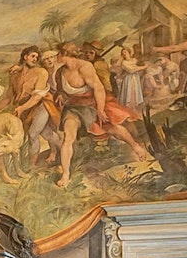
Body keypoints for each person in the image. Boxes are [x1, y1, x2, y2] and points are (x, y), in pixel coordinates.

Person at [53, 42, 150, 188]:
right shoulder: (59, 72)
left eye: (58, 54)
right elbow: (61, 89)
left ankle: (135, 146)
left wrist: (100, 110)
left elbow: (98, 88)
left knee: (112, 128)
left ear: (63, 54)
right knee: (68, 136)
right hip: (73, 108)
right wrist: (60, 94)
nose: (56, 57)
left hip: (92, 105)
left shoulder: (85, 67)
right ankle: (66, 173)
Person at [0, 46, 60, 168]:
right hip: (23, 108)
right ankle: (56, 149)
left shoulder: (40, 72)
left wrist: (22, 108)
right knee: (43, 132)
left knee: (33, 134)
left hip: (41, 106)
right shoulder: (15, 75)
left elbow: (37, 97)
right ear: (25, 57)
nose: (35, 59)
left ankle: (32, 165)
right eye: (33, 56)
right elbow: (8, 97)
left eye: (37, 57)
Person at [111, 47, 147, 111]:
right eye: (122, 53)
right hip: (128, 79)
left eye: (125, 52)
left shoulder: (134, 60)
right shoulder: (124, 62)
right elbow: (131, 70)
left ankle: (134, 108)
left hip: (135, 78)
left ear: (129, 52)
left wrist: (142, 66)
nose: (124, 54)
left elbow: (136, 66)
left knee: (135, 92)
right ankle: (129, 109)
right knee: (129, 92)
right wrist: (143, 67)